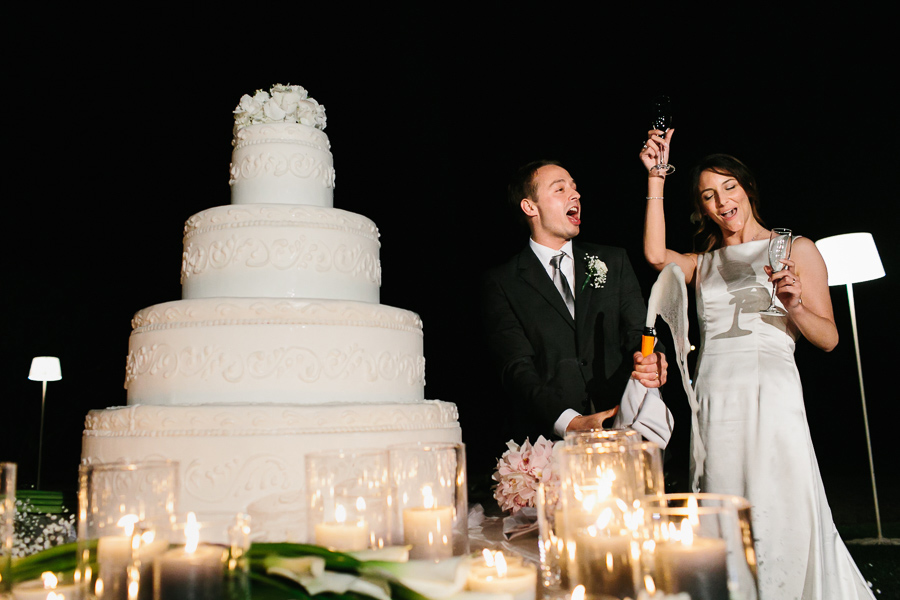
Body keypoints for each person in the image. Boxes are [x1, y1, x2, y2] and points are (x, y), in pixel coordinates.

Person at [640, 131, 873, 599]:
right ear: (702, 207)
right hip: (715, 396)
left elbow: (828, 338)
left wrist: (795, 305)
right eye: (708, 195)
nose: (721, 201)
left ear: (746, 188)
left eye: (728, 187)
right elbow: (653, 255)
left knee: (778, 497)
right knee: (722, 501)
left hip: (773, 390)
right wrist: (655, 179)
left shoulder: (796, 250)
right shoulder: (704, 263)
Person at [481, 159, 667, 442]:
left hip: (623, 426)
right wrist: (570, 422)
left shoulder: (612, 260)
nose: (575, 194)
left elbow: (638, 331)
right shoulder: (503, 282)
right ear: (530, 207)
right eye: (560, 189)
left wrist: (655, 359)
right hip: (550, 441)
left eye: (575, 188)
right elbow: (516, 367)